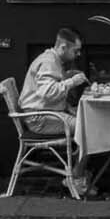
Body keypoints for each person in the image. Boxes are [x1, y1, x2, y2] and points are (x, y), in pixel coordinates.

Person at [18, 25, 92, 198]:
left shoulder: (52, 60)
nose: (78, 54)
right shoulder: (49, 62)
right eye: (76, 50)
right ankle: (76, 177)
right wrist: (72, 81)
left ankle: (76, 169)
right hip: (40, 118)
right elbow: (47, 93)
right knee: (89, 129)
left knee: (86, 121)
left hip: (44, 113)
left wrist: (68, 106)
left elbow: (47, 94)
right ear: (64, 47)